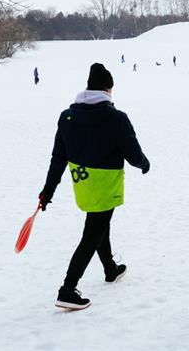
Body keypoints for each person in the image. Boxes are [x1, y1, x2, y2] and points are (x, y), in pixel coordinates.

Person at [39, 63, 150, 311]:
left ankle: (110, 268)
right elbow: (133, 154)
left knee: (99, 223)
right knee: (93, 233)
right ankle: (68, 289)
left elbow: (58, 156)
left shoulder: (67, 116)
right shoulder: (116, 117)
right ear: (108, 89)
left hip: (82, 182)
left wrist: (48, 190)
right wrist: (144, 163)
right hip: (106, 183)